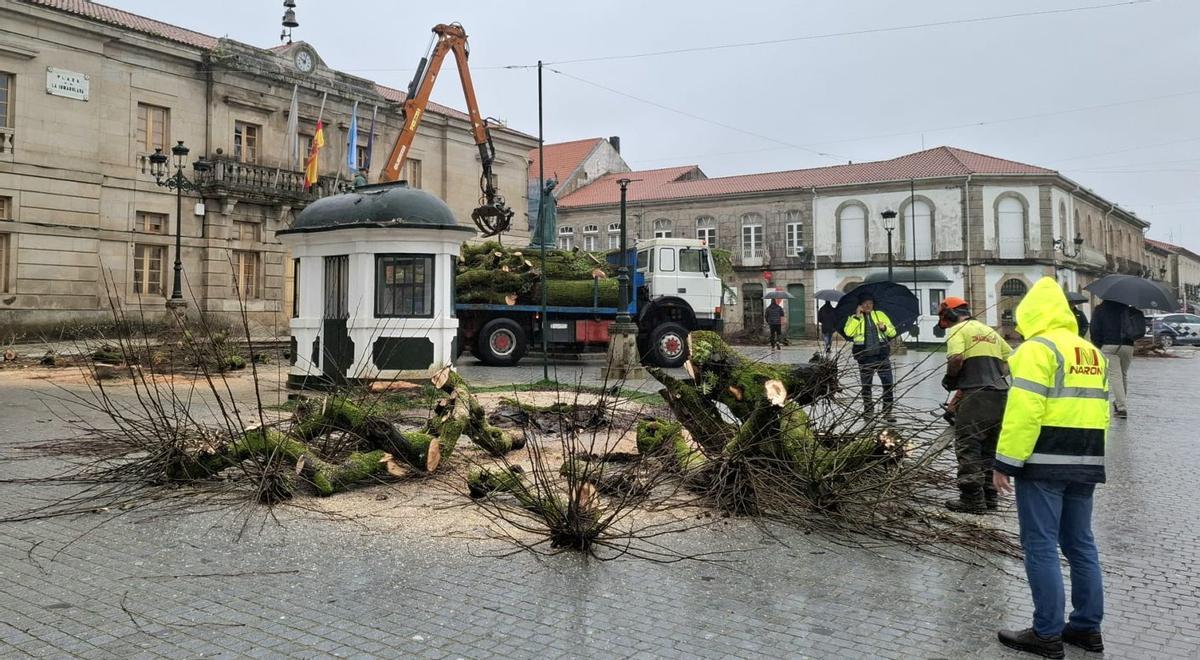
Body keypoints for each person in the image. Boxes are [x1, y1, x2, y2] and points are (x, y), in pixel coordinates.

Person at [993, 277, 1109, 658]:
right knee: (1080, 543)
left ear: (1031, 313)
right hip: (1086, 460)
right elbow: (1102, 411)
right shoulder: (1090, 352)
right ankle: (1087, 629)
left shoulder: (1036, 350)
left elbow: (1024, 412)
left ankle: (1046, 634)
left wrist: (1005, 461)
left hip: (1044, 462)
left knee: (1040, 544)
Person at [938, 296, 1012, 514]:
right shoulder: (989, 331)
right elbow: (1010, 359)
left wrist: (952, 379)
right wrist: (993, 375)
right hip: (999, 394)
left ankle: (972, 499)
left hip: (975, 395)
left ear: (949, 315)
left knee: (968, 445)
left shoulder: (957, 330)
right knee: (990, 447)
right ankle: (990, 496)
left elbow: (956, 358)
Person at [842, 293, 896, 421]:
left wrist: (884, 328)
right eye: (865, 303)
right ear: (860, 305)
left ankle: (887, 412)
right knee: (866, 386)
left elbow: (893, 332)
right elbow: (849, 333)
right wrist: (857, 317)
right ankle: (868, 411)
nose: (868, 306)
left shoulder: (880, 315)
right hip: (865, 357)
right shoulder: (853, 318)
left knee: (888, 384)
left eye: (870, 303)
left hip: (882, 355)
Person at [1089, 299, 1144, 418]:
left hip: (1109, 346)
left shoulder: (1100, 310)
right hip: (1128, 346)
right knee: (1123, 375)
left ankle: (1121, 407)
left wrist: (1099, 345)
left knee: (1115, 376)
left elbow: (1094, 330)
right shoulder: (1128, 309)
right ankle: (1120, 402)